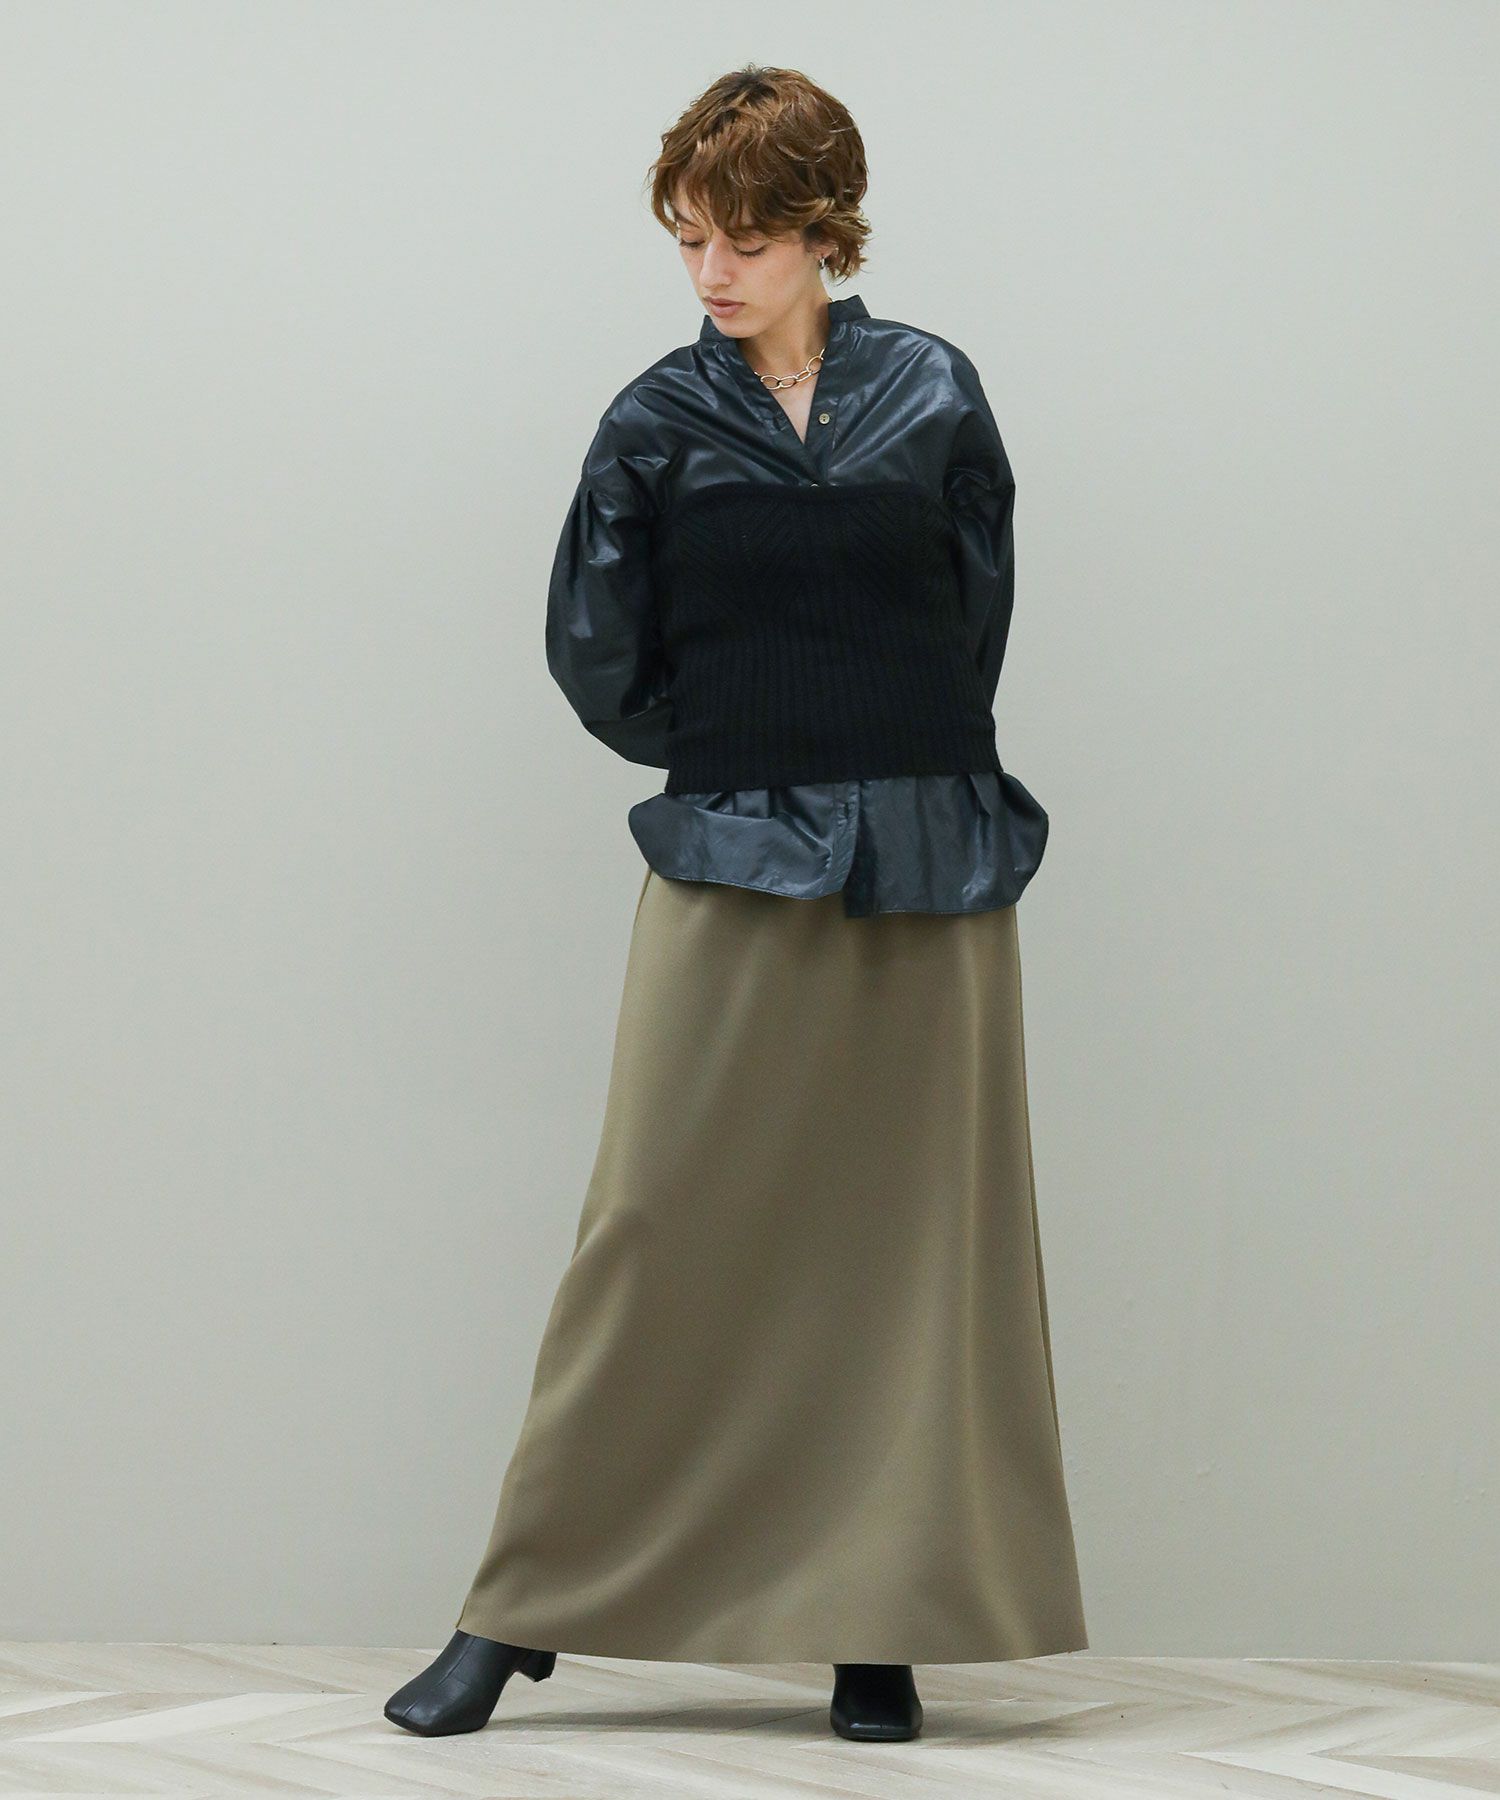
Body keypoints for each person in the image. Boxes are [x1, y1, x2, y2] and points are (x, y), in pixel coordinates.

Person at [386, 63, 1087, 1746]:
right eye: (690, 237)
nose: (711, 271)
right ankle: (522, 1608)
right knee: (654, 1221)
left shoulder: (934, 391)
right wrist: (750, 755)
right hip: (733, 846)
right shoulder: (652, 422)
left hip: (929, 855)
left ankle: (876, 1621)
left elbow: (974, 612)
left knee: (912, 1240)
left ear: (825, 231)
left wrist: (876, 750)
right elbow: (598, 654)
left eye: (746, 239)